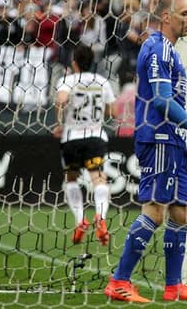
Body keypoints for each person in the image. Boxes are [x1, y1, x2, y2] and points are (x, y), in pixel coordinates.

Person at [103, 0, 187, 303]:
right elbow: (160, 100)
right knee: (156, 211)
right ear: (166, 17)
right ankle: (119, 281)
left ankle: (175, 285)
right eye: (185, 13)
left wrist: (186, 137)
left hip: (173, 140)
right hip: (158, 137)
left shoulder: (170, 52)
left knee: (181, 211)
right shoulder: (157, 48)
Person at [53, 43, 116, 246]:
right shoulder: (102, 81)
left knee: (71, 179)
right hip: (95, 136)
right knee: (99, 179)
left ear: (74, 62)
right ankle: (101, 217)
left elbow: (61, 99)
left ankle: (80, 220)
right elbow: (112, 112)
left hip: (72, 138)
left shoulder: (67, 80)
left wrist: (60, 122)